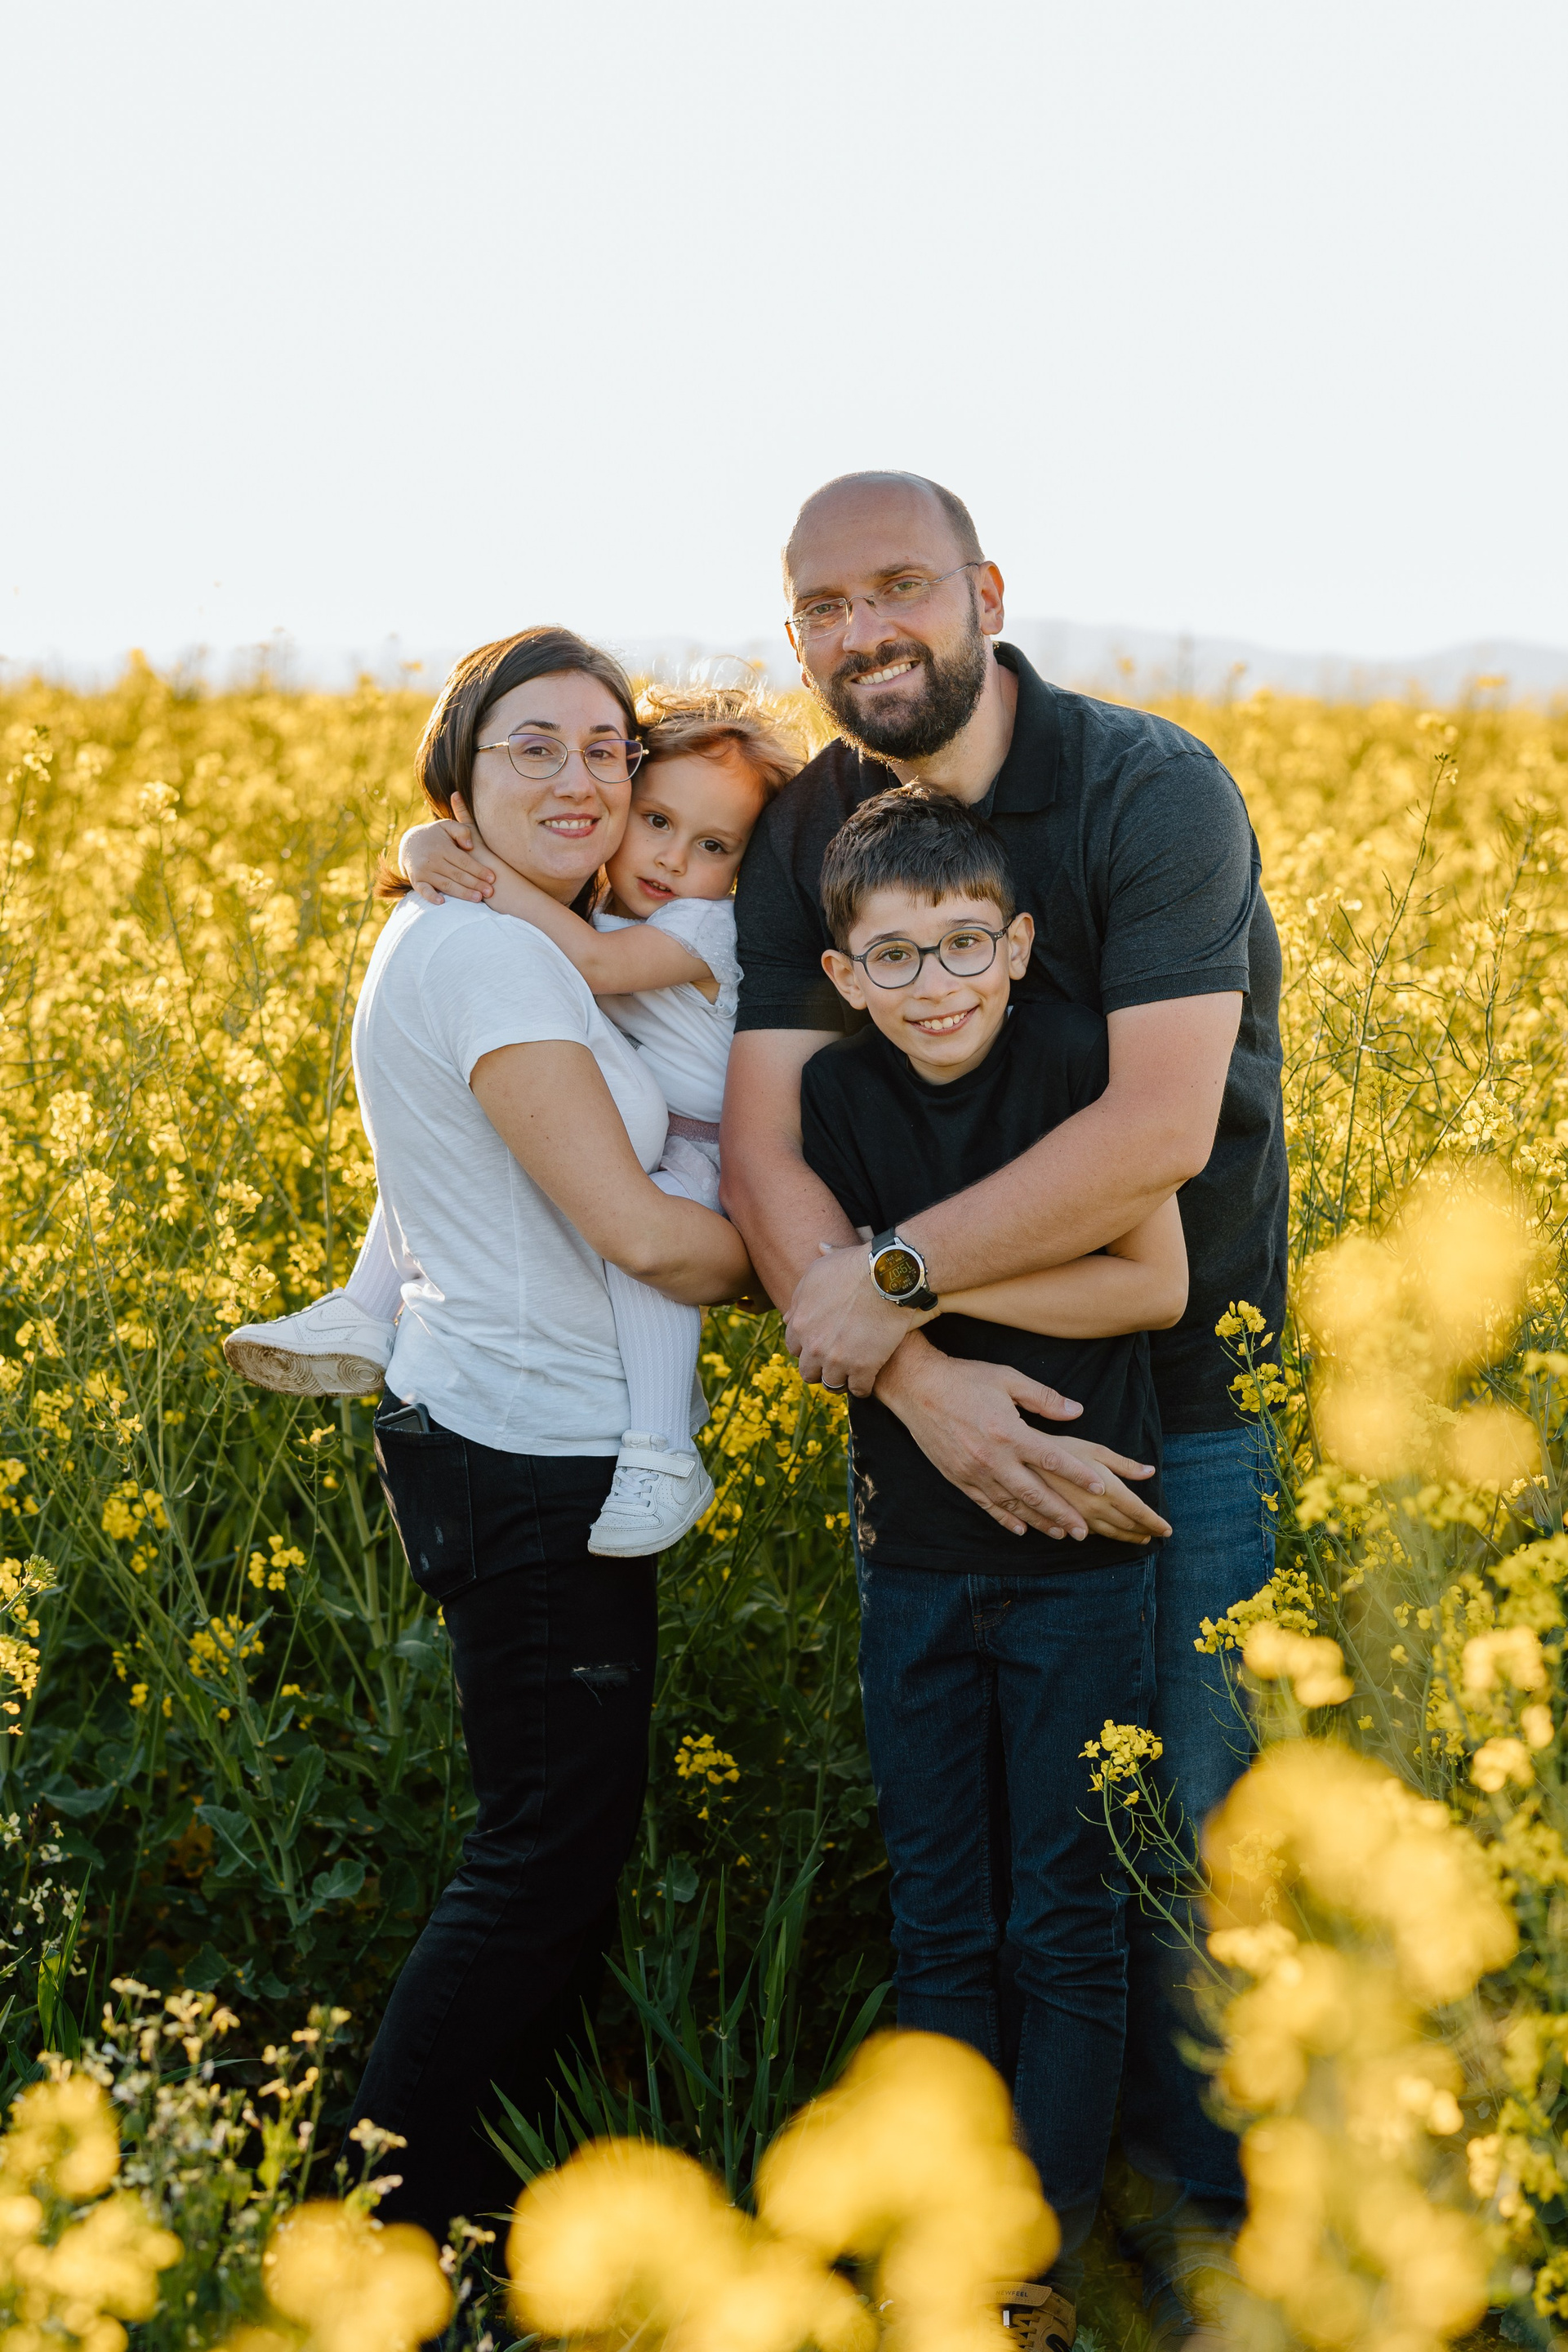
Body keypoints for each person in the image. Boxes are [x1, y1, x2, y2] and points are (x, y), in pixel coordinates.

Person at [721, 473, 1286, 2321]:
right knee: (985, 1873)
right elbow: (767, 1143)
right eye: (823, 606)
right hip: (927, 1436)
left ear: (983, 591)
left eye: (897, 586)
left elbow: (1155, 1134)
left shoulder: (1145, 791)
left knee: (1177, 1836)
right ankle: (1009, 2247)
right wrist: (920, 1383)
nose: (863, 630)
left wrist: (885, 1290)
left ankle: (1197, 2244)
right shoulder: (809, 827)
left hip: (1186, 1393)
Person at [332, 626, 751, 2239]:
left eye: (606, 751)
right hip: (530, 1456)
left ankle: (469, 2226)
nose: (582, 779)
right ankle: (379, 2247)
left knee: (555, 1860)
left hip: (520, 1434)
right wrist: (840, 1277)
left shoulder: (513, 932)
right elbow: (638, 1234)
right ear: (459, 777)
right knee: (538, 1868)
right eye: (534, 747)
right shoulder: (499, 961)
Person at [799, 785, 1185, 2318]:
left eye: (965, 943)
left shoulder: (1082, 1063)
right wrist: (885, 1288)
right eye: (894, 957)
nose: (936, 983)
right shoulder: (837, 1099)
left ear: (1020, 944)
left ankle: (1040, 2268)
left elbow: (1151, 1283)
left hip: (1083, 1561)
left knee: (1067, 1921)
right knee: (942, 1922)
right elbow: (816, 1305)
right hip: (913, 1557)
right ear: (844, 977)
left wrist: (903, 1283)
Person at [226, 684, 801, 1556]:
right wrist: (429, 844)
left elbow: (597, 964)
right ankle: (363, 1308)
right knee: (452, 1146)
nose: (673, 857)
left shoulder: (706, 924)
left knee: (643, 1257)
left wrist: (472, 867)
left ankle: (662, 1448)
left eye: (713, 845)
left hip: (710, 1149)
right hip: (648, 1124)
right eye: (656, 821)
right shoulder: (602, 899)